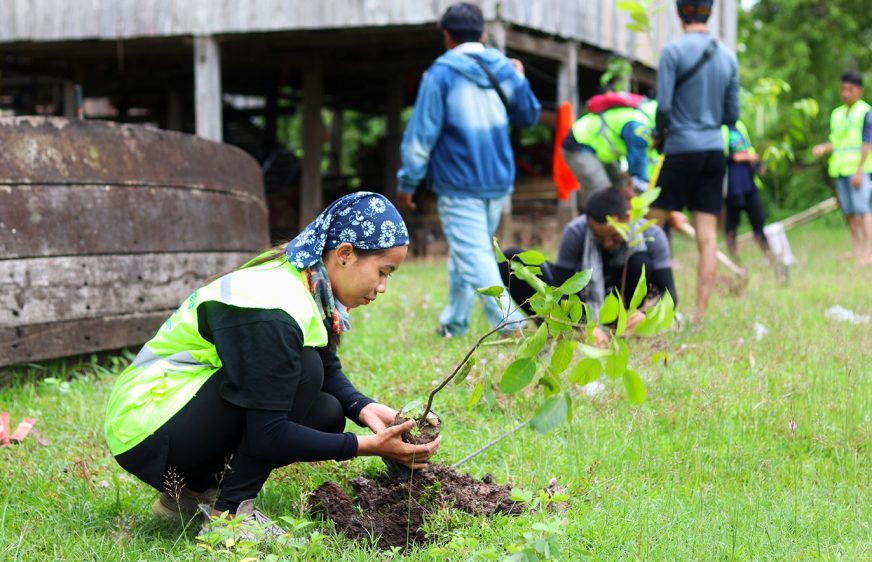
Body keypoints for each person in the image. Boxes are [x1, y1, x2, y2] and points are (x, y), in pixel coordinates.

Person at [104, 192, 440, 538]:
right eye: (383, 272)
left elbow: (326, 365)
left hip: (175, 418)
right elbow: (269, 435)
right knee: (305, 372)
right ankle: (230, 517)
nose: (383, 287)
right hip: (147, 427)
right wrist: (367, 446)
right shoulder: (272, 309)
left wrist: (364, 408)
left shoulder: (304, 278)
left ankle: (189, 495)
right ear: (345, 254)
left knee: (325, 410)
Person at [396, 2, 542, 337]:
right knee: (469, 251)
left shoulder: (440, 74)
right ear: (484, 33)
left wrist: (407, 182)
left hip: (459, 182)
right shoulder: (504, 68)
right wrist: (519, 79)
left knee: (474, 254)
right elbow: (530, 116)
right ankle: (455, 323)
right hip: (498, 180)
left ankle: (512, 325)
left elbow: (420, 136)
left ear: (447, 37)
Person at [648, 0, 739, 322]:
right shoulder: (728, 57)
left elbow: (664, 107)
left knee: (649, 228)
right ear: (710, 12)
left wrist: (659, 133)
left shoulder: (672, 51)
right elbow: (733, 115)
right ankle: (699, 315)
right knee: (707, 236)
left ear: (679, 12)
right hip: (714, 150)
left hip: (681, 149)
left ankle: (644, 307)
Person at [498, 188, 677, 347]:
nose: (607, 243)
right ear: (588, 223)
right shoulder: (576, 231)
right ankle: (557, 331)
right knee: (511, 261)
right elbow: (561, 289)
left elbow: (670, 296)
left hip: (625, 306)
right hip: (585, 304)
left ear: (627, 219)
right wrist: (585, 325)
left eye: (614, 236)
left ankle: (623, 329)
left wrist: (646, 314)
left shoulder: (651, 235)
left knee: (641, 261)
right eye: (600, 237)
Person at [812, 71, 872, 267]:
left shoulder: (865, 112)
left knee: (863, 210)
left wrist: (858, 170)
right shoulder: (837, 114)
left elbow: (867, 143)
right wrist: (824, 147)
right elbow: (837, 141)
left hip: (858, 170)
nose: (846, 93)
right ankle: (856, 249)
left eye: (850, 89)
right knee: (849, 212)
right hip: (839, 169)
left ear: (859, 91)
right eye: (843, 89)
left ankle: (868, 251)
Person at [562, 92, 653, 209]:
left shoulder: (648, 115)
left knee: (621, 187)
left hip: (602, 152)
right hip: (580, 143)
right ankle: (593, 223)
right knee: (603, 194)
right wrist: (639, 181)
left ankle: (620, 220)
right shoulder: (639, 124)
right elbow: (637, 157)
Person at [722, 120, 770, 259]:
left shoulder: (740, 126)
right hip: (733, 186)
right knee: (732, 222)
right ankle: (734, 259)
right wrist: (738, 157)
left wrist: (756, 164)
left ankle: (768, 254)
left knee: (758, 219)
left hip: (749, 182)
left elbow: (748, 148)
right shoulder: (721, 128)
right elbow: (720, 157)